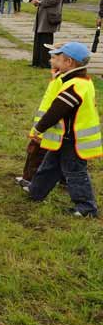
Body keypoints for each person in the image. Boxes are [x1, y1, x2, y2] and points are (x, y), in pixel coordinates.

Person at [18, 42, 100, 217]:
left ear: (69, 62)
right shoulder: (80, 81)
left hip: (74, 140)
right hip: (65, 138)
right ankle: (36, 191)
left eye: (58, 58)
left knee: (75, 172)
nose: (54, 61)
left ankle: (87, 207)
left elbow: (57, 110)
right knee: (49, 166)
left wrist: (39, 128)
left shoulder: (74, 85)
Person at [15, 45, 63, 186]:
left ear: (65, 61)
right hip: (46, 125)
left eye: (54, 58)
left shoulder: (62, 80)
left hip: (48, 127)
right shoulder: (57, 77)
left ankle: (30, 180)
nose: (50, 61)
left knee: (37, 153)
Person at [32, 0, 68, 68]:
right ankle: (36, 62)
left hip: (51, 14)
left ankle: (45, 63)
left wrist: (41, 2)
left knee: (46, 38)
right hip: (41, 12)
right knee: (38, 37)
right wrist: (37, 1)